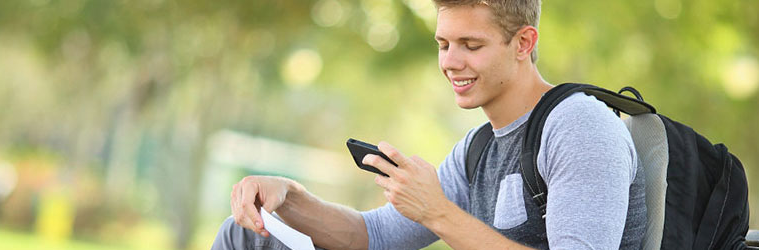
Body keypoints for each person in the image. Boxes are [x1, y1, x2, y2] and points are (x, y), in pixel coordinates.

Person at [212, 0, 645, 249]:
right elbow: (376, 236)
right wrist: (289, 197)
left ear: (523, 43)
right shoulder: (479, 149)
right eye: (444, 44)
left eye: (470, 45)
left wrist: (436, 211)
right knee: (248, 236)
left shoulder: (579, 126)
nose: (451, 63)